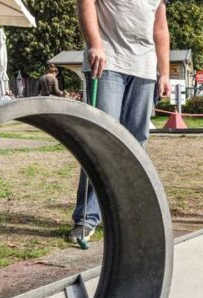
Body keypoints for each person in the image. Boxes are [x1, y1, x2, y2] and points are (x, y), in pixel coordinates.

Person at [68, 0, 171, 243]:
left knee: (137, 143)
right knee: (100, 140)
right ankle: (87, 217)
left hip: (144, 69)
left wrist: (164, 72)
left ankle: (128, 214)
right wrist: (94, 44)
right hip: (108, 62)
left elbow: (160, 27)